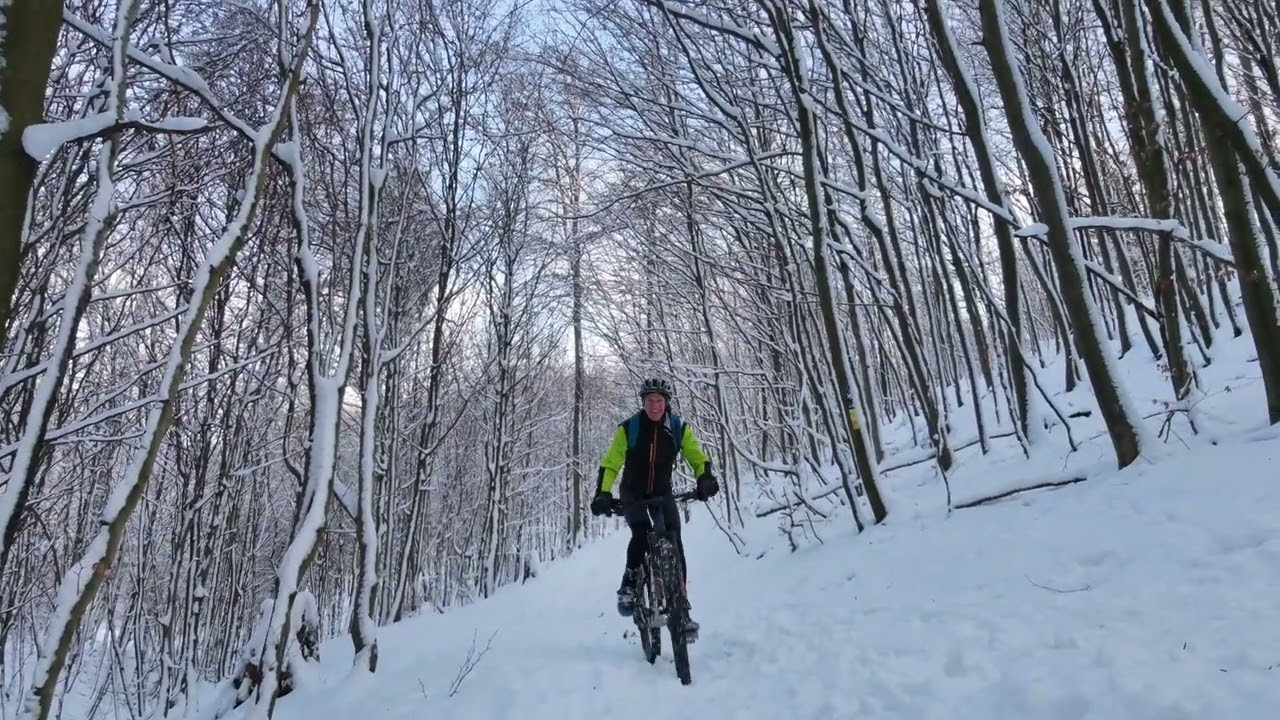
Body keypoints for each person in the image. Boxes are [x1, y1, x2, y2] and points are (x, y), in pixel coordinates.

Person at [590, 377, 719, 639]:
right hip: (633, 493)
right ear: (643, 403)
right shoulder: (629, 429)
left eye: (660, 400)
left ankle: (681, 610)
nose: (655, 405)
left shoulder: (678, 428)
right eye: (650, 400)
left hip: (662, 493)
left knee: (674, 538)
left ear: (667, 403)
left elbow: (696, 456)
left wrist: (705, 478)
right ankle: (628, 585)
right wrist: (603, 493)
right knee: (641, 534)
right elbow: (611, 463)